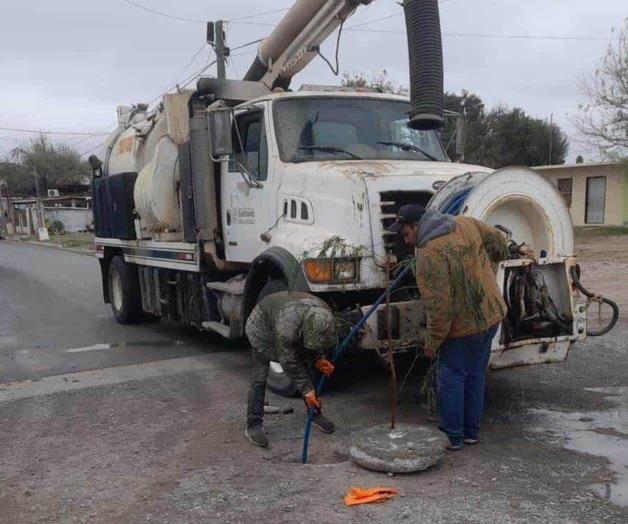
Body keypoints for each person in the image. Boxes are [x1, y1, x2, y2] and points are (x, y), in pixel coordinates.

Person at [389, 204, 517, 450]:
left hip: (463, 328)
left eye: (405, 232)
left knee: (451, 379)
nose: (404, 239)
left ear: (417, 225)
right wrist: (488, 264)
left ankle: (452, 436)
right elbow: (500, 243)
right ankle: (470, 433)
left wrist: (432, 342)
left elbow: (440, 307)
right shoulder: (466, 223)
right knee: (475, 375)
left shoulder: (429, 254)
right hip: (490, 315)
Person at [244, 291, 337, 448]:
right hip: (262, 327)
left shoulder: (323, 313)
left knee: (307, 366)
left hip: (289, 320)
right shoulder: (286, 328)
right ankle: (253, 424)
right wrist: (308, 390)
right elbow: (288, 361)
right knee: (260, 375)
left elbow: (316, 342)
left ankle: (314, 414)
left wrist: (319, 359)